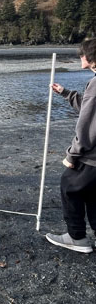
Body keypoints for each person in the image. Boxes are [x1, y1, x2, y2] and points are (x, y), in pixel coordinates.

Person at [46, 39, 96, 253]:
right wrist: (66, 93)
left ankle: (77, 237)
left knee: (70, 186)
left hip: (92, 156)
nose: (80, 58)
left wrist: (73, 154)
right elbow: (88, 106)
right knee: (93, 193)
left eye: (81, 55)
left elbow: (87, 124)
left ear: (90, 58)